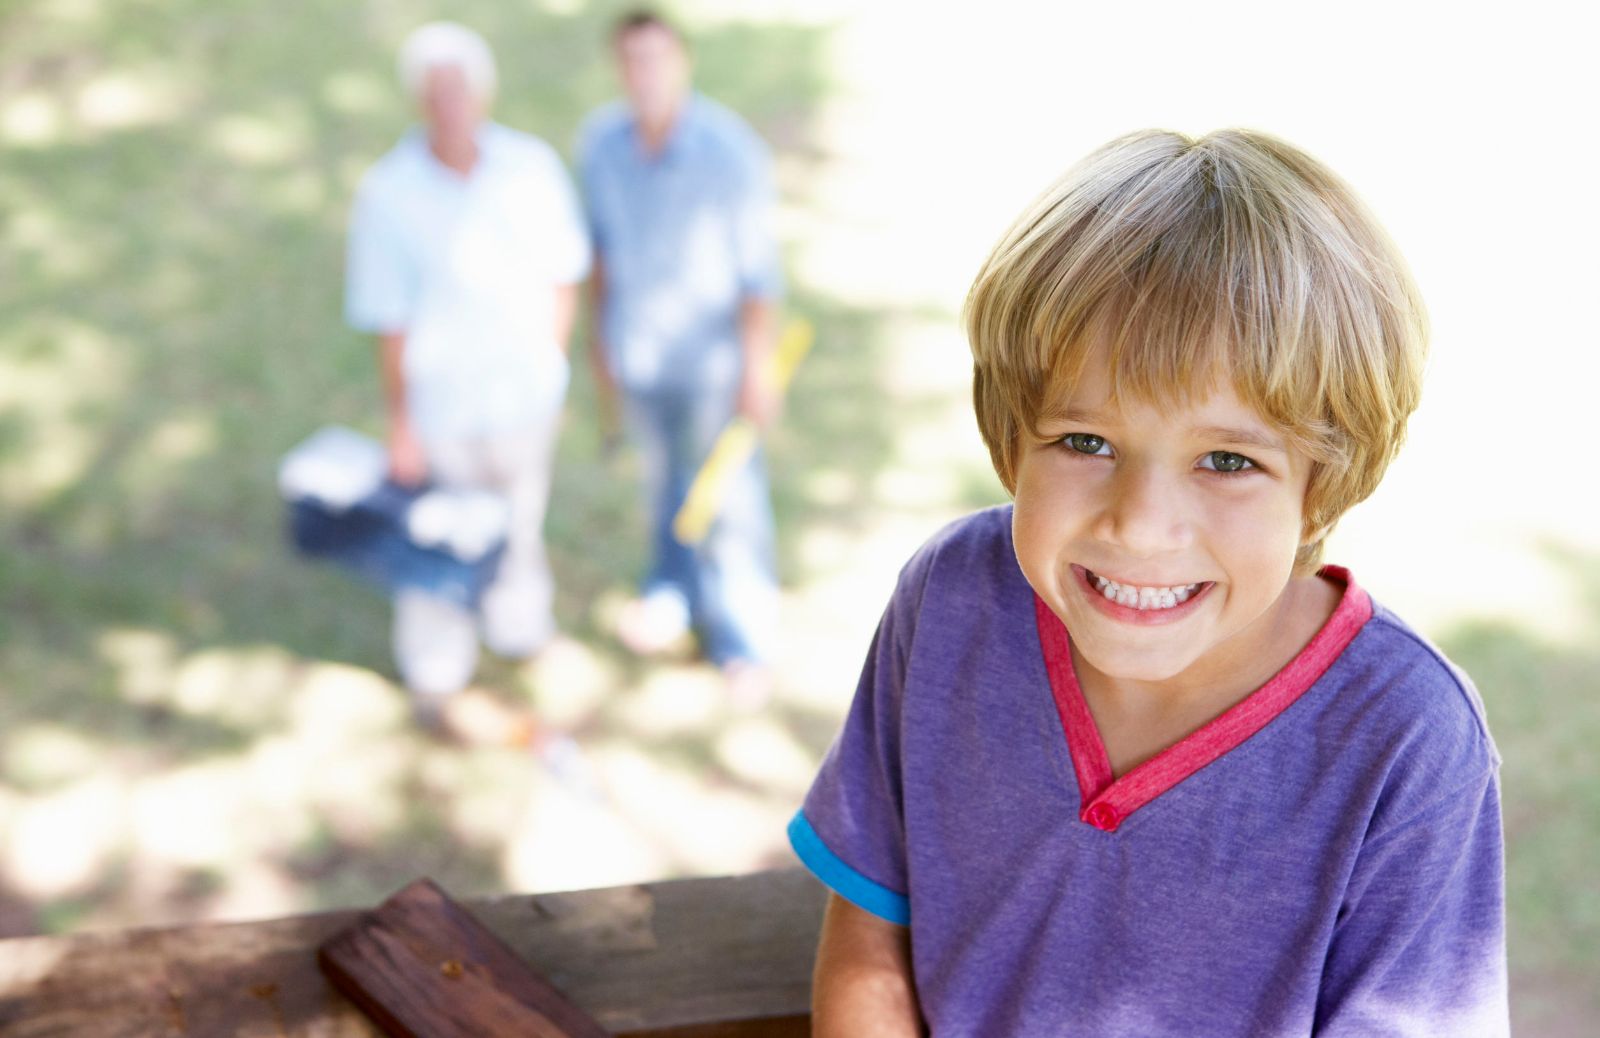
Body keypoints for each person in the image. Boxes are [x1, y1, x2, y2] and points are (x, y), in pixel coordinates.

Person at [789, 129, 1508, 1035]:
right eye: (1086, 442)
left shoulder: (1407, 738)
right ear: (1014, 438)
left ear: (1323, 478)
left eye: (1226, 459)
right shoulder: (951, 602)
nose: (1139, 523)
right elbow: (870, 934)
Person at [344, 22, 590, 711]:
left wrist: (552, 363)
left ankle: (520, 631)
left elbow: (562, 273)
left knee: (517, 525)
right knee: (436, 543)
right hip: (442, 404)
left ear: (483, 92)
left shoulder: (530, 167)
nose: (450, 101)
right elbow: (388, 318)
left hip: (522, 395)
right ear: (418, 99)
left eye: (461, 87)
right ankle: (436, 670)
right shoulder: (388, 192)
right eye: (436, 90)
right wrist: (400, 424)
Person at [578, 9, 783, 700]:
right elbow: (599, 254)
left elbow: (759, 276)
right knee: (664, 483)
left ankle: (743, 639)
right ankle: (670, 593)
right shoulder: (600, 146)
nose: (645, 75)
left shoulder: (730, 152)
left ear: (682, 62)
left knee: (727, 501)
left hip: (712, 366)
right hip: (638, 355)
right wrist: (599, 343)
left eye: (657, 59)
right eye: (632, 61)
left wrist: (757, 367)